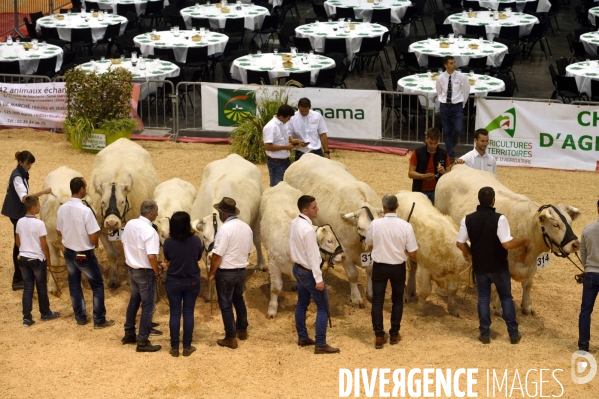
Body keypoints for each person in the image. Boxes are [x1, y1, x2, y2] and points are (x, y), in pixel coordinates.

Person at [456, 187, 529, 345]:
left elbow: (459, 243)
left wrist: (471, 253)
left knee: (483, 299)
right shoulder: (500, 219)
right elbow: (507, 244)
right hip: (499, 267)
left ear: (479, 200)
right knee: (506, 298)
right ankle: (513, 333)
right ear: (493, 200)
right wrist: (523, 240)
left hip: (480, 267)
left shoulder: (467, 219)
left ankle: (484, 333)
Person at [56, 177, 114, 329]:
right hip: (84, 253)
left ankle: (80, 317)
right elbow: (93, 236)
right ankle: (99, 319)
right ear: (81, 189)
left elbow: (58, 231)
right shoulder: (85, 211)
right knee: (97, 286)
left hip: (68, 251)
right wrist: (94, 245)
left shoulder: (62, 208)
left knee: (74, 285)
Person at [365, 194, 418, 349]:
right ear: (397, 206)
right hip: (398, 267)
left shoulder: (375, 224)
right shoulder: (406, 226)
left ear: (383, 207)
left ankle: (379, 336)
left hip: (380, 267)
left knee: (377, 302)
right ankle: (394, 333)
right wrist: (403, 251)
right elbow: (413, 253)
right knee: (397, 300)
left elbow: (369, 243)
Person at [289, 195, 340, 354]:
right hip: (309, 272)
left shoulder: (294, 222)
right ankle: (320, 343)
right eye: (314, 208)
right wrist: (319, 279)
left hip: (297, 269)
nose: (317, 209)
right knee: (324, 307)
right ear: (305, 210)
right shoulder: (309, 230)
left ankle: (303, 337)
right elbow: (312, 256)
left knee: (302, 304)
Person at [2, 151, 52, 291]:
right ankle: (18, 279)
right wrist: (43, 192)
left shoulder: (20, 172)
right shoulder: (17, 176)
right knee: (19, 245)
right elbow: (24, 198)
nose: (29, 166)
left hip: (17, 211)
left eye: (30, 164)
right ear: (20, 162)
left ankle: (22, 275)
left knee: (21, 244)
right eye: (27, 164)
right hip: (17, 212)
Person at [209, 197, 254, 349]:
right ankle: (243, 330)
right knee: (239, 300)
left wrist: (211, 273)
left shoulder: (224, 230)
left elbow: (217, 255)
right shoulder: (246, 227)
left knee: (226, 305)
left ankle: (230, 337)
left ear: (223, 214)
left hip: (226, 272)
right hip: (241, 271)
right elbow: (249, 252)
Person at [121, 199, 162, 353]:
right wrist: (157, 272)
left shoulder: (130, 224)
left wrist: (131, 257)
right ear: (151, 213)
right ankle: (143, 341)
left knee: (133, 301)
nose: (157, 214)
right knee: (148, 306)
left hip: (131, 268)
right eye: (156, 211)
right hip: (145, 272)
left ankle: (129, 333)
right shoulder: (151, 232)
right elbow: (152, 257)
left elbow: (123, 244)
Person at [162, 211, 203, 357]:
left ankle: (174, 347)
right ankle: (187, 346)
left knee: (174, 313)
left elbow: (167, 257)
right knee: (188, 313)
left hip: (173, 281)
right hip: (191, 280)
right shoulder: (196, 240)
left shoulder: (168, 242)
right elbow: (198, 257)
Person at [16, 195, 60, 327]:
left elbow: (17, 242)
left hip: (23, 258)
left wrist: (25, 249)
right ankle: (45, 313)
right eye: (39, 206)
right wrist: (47, 259)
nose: (40, 208)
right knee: (41, 287)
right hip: (37, 258)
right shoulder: (39, 224)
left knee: (28, 288)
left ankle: (27, 317)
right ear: (33, 207)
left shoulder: (19, 222)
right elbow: (44, 245)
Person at [436, 56, 470, 161]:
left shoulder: (461, 77)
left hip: (457, 105)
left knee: (458, 129)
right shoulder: (440, 78)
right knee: (446, 130)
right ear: (445, 65)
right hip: (445, 105)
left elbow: (466, 91)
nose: (454, 64)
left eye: (454, 62)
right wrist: (442, 101)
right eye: (451, 63)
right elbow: (439, 92)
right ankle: (450, 155)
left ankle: (451, 145)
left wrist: (462, 104)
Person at [408, 127, 451, 205]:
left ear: (439, 140)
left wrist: (443, 172)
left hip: (438, 191)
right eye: (430, 143)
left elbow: (450, 175)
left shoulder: (444, 154)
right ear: (426, 139)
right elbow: (410, 173)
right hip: (420, 191)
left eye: (435, 143)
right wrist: (423, 176)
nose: (433, 146)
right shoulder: (417, 153)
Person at [578, 199, 599, 353]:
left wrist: (587, 266)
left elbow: (583, 252)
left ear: (597, 209)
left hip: (591, 272)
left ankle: (583, 345)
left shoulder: (588, 228)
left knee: (586, 310)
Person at [263, 104, 302, 187]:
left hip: (285, 161)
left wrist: (296, 142)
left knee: (287, 186)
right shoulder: (271, 127)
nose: (288, 120)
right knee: (276, 188)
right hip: (276, 163)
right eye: (288, 118)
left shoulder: (283, 124)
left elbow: (285, 138)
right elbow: (267, 146)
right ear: (281, 117)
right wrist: (285, 147)